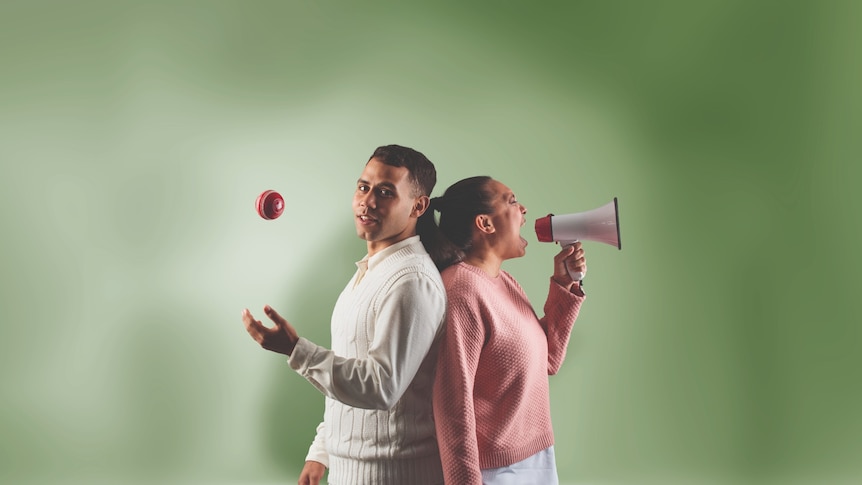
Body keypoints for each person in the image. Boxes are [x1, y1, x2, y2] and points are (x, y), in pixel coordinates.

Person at [242, 145, 447, 485]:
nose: (367, 201)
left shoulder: (412, 280)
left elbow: (381, 386)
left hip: (395, 476)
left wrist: (296, 350)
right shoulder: (371, 271)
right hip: (350, 470)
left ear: (418, 206)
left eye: (385, 192)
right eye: (363, 187)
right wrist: (322, 450)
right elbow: (350, 365)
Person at [429, 176, 587, 485]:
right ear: (485, 223)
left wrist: (565, 285)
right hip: (493, 472)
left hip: (536, 457)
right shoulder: (461, 291)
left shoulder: (504, 282)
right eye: (512, 201)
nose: (524, 208)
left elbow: (548, 360)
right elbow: (451, 403)